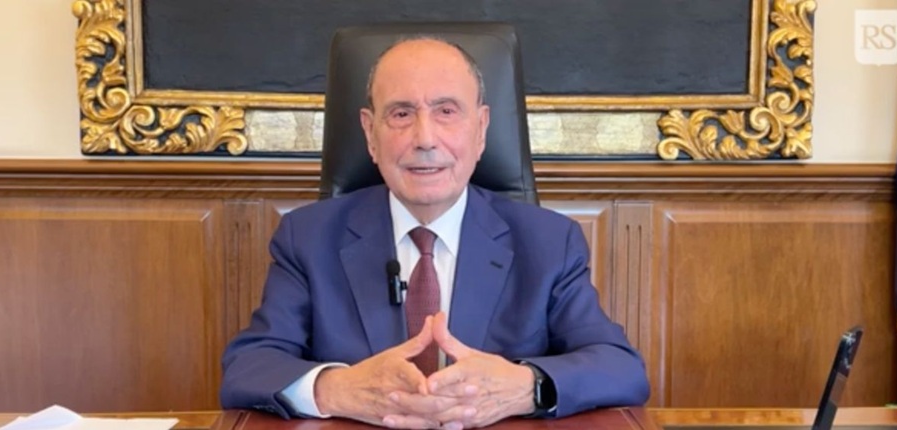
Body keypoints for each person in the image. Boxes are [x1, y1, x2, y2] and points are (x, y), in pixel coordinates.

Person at [219, 36, 650, 429]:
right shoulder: (308, 238)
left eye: (446, 111)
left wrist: (526, 386)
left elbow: (620, 368)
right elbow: (248, 367)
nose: (424, 138)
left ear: (481, 129)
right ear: (370, 133)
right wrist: (336, 388)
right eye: (401, 113)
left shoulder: (549, 242)